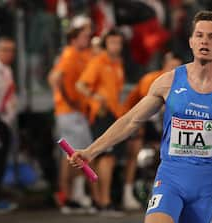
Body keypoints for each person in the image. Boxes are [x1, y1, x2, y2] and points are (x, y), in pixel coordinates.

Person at [68, 10, 212, 223]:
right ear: (191, 41)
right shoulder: (168, 82)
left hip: (206, 184)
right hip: (170, 178)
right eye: (199, 35)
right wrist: (91, 151)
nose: (205, 41)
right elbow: (130, 120)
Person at [122, 51, 182, 210]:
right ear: (164, 65)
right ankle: (127, 192)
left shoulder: (183, 83)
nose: (174, 70)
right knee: (135, 149)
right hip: (137, 119)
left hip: (160, 124)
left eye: (177, 67)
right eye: (171, 66)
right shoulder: (152, 80)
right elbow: (141, 110)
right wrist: (139, 130)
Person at [76, 28, 125, 216]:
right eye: (112, 42)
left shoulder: (117, 64)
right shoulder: (98, 62)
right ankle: (104, 202)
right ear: (106, 44)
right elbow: (80, 85)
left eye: (119, 43)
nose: (116, 46)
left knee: (105, 159)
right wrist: (96, 98)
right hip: (102, 115)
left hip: (114, 114)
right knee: (106, 158)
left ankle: (100, 201)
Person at [48, 17, 94, 214]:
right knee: (71, 155)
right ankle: (66, 197)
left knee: (76, 155)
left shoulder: (79, 54)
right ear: (74, 38)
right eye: (84, 36)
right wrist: (68, 100)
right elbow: (55, 79)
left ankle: (74, 196)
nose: (88, 39)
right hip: (68, 113)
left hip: (76, 112)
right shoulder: (69, 54)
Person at [0, 36, 18, 214]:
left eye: (12, 50)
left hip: (4, 121)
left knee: (1, 160)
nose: (10, 54)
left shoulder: (6, 70)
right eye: (5, 49)